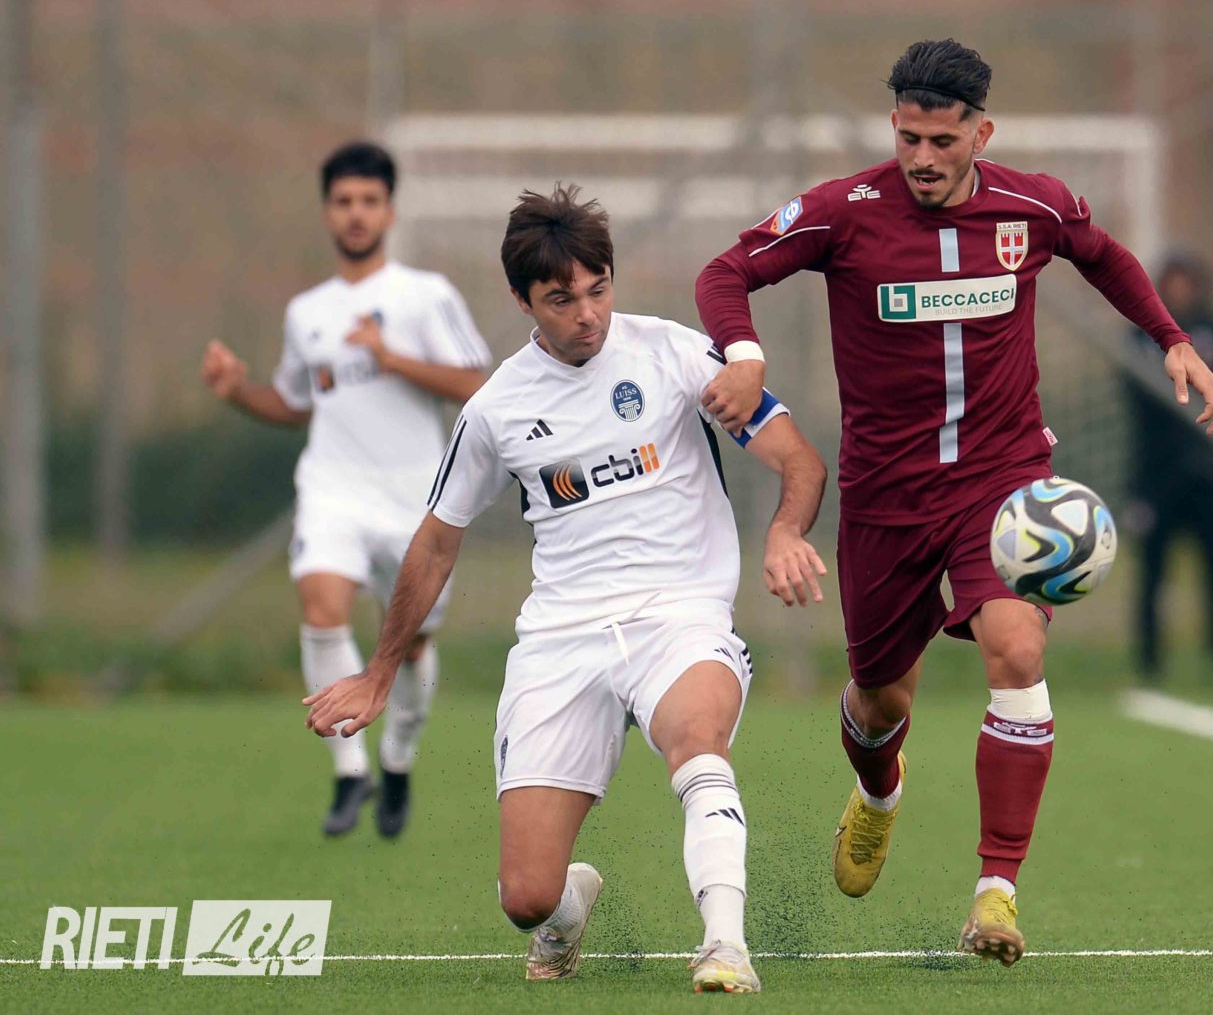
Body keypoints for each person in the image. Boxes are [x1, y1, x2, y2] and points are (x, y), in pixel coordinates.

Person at [695, 39, 1213, 965]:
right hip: (884, 494)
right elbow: (725, 271)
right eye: (909, 138)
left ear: (981, 134)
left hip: (1002, 476)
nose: (923, 158)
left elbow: (1104, 255)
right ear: (893, 128)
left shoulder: (1032, 206)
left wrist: (1171, 337)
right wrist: (745, 354)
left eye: (943, 141)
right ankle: (879, 791)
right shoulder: (844, 212)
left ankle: (996, 893)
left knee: (1016, 646)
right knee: (877, 701)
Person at [302, 185, 828, 994]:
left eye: (598, 289)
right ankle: (564, 914)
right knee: (526, 896)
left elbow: (800, 460)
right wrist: (379, 671)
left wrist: (787, 530)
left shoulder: (675, 355)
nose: (587, 314)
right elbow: (436, 541)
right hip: (562, 636)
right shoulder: (497, 409)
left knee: (698, 741)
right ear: (523, 301)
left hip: (679, 614)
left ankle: (725, 947)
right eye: (561, 299)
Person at [200, 141, 491, 838]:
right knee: (322, 606)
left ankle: (398, 758)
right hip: (333, 486)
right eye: (343, 202)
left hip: (417, 497)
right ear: (327, 212)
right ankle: (351, 769)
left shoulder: (425, 295)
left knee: (411, 645)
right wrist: (238, 390)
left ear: (389, 211)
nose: (355, 214)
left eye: (368, 201)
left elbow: (479, 383)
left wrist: (391, 358)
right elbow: (298, 403)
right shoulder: (307, 311)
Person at [1124, 253, 1213, 682]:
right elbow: (1134, 391)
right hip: (1156, 474)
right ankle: (1149, 661)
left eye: (1187, 283)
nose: (1180, 291)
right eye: (1172, 283)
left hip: (1211, 471)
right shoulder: (1139, 334)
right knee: (1153, 573)